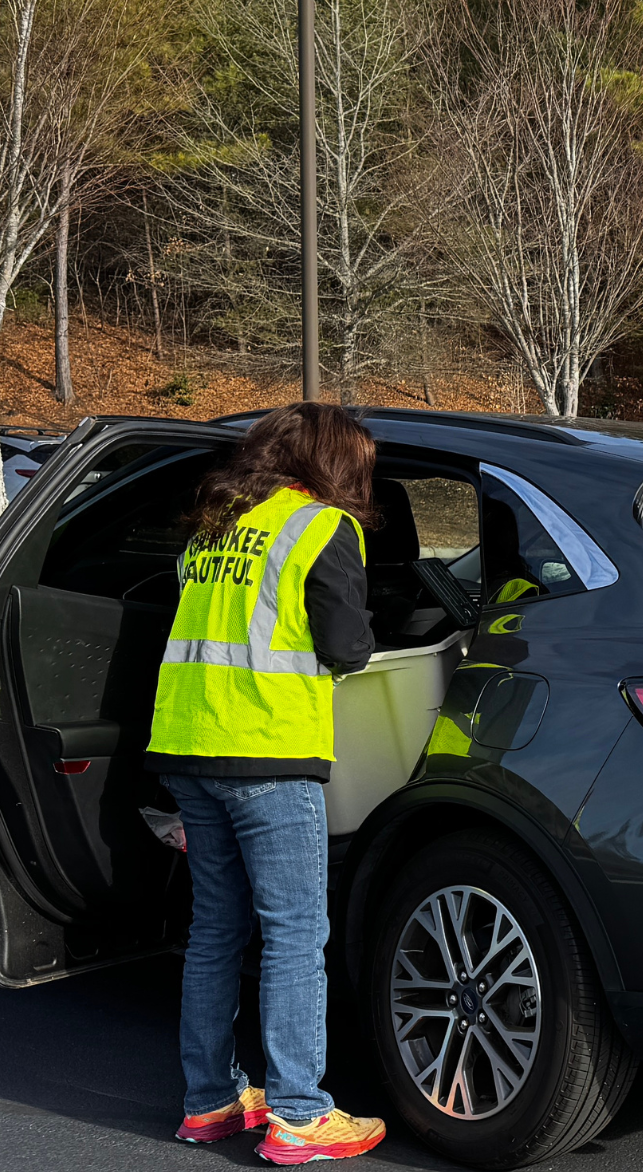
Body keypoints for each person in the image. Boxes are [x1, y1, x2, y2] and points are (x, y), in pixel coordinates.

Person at [146, 402, 389, 1163]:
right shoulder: (320, 527)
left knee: (216, 928)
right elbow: (347, 647)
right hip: (268, 752)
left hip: (188, 746)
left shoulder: (215, 524)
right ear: (333, 463)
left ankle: (210, 1101)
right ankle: (298, 1113)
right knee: (294, 933)